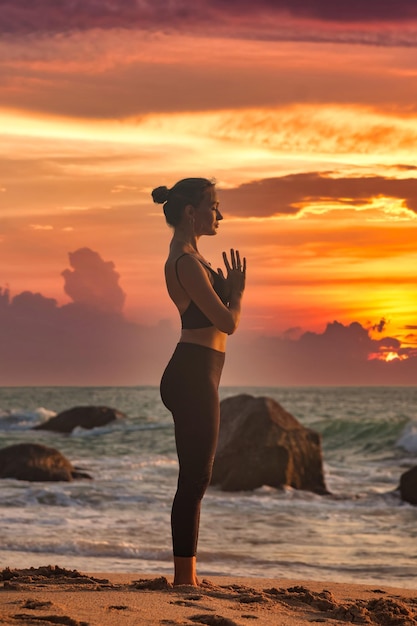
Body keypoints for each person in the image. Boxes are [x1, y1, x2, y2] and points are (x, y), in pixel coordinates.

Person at [152, 177, 246, 586]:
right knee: (195, 478)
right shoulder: (187, 263)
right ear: (191, 212)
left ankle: (186, 575)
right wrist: (237, 294)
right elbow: (227, 323)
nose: (220, 214)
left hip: (199, 371)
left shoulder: (194, 258)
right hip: (192, 374)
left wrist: (226, 290)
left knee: (196, 477)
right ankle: (184, 580)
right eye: (214, 206)